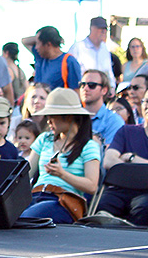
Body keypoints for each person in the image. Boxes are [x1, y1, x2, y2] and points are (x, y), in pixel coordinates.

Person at [95, 86, 148, 225]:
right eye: (146, 101)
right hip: (117, 191)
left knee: (144, 208)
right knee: (103, 207)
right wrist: (147, 169)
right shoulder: (126, 131)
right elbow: (108, 160)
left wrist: (131, 158)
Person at [18, 88, 100, 225]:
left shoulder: (88, 146)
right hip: (35, 195)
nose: (48, 120)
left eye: (52, 116)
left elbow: (92, 186)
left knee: (26, 218)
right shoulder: (44, 139)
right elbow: (26, 172)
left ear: (68, 116)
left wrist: (62, 174)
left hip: (64, 201)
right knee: (9, 216)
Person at [22, 26, 81, 90]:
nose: (36, 47)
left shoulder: (69, 62)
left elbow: (76, 91)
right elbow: (25, 41)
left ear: (48, 44)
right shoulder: (40, 57)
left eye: (38, 43)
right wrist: (39, 37)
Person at [79, 70, 124, 146]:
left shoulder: (114, 121)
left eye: (91, 85)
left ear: (104, 90)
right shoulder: (73, 117)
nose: (85, 88)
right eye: (82, 85)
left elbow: (110, 153)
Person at [68, 17, 115, 86]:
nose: (104, 31)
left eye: (105, 29)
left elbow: (109, 71)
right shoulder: (78, 47)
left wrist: (112, 87)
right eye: (100, 28)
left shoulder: (104, 48)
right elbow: (70, 72)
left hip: (101, 91)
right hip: (84, 90)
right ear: (92, 29)